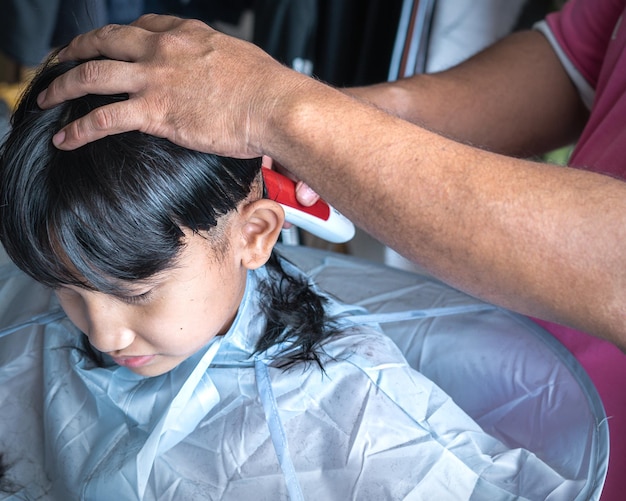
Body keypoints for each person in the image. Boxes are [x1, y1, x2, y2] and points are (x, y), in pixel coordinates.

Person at [35, 2, 626, 497]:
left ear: (256, 234)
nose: (102, 336)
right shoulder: (46, 328)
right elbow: (579, 61)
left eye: (137, 290)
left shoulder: (364, 420)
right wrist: (320, 130)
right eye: (64, 287)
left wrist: (283, 112)